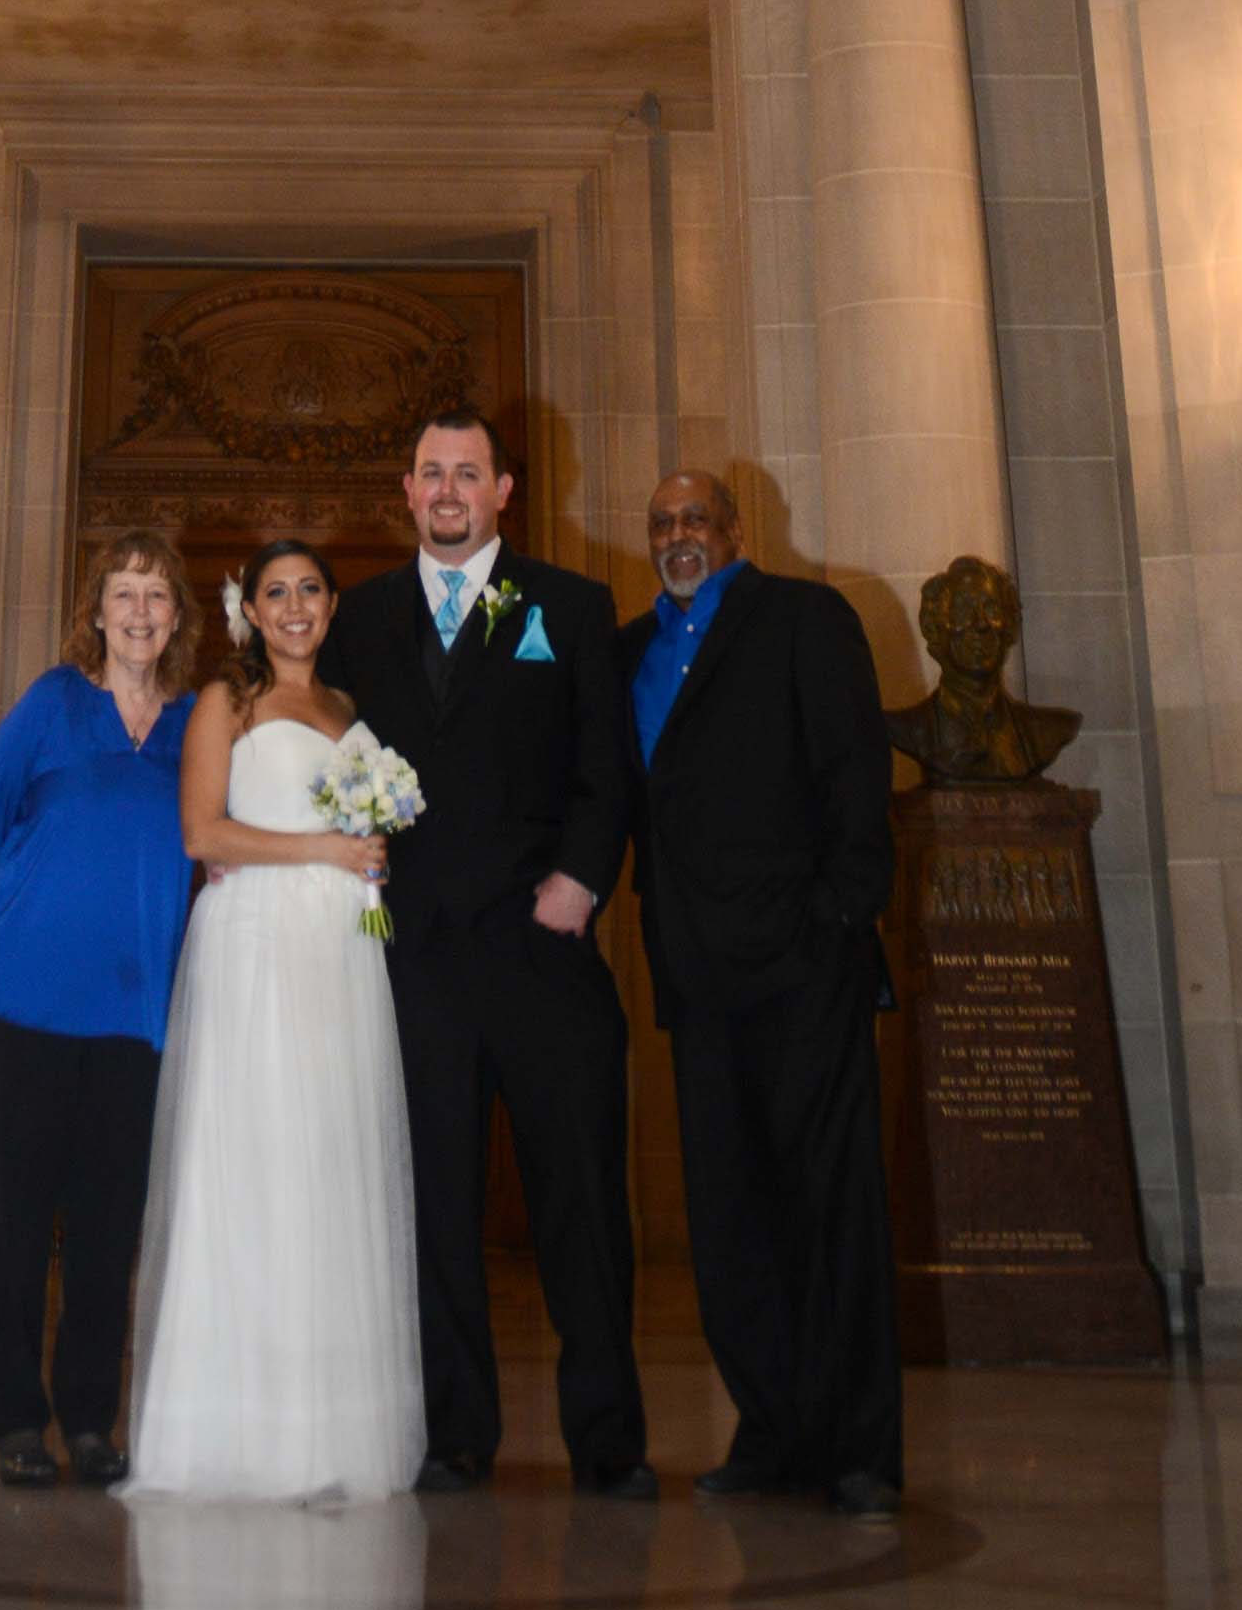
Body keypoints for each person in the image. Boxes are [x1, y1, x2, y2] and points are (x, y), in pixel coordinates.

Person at [327, 410, 651, 1499]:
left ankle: (607, 1442)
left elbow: (607, 766)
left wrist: (581, 880)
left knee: (582, 1205)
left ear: (505, 489)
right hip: (412, 958)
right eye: (431, 473)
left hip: (539, 947)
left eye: (470, 472)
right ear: (407, 490)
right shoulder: (357, 619)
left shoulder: (565, 605)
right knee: (435, 1207)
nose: (450, 490)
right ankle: (455, 1434)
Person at [621, 468, 904, 1520]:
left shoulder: (803, 618)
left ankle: (858, 1449)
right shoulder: (626, 649)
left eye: (695, 518)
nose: (677, 534)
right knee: (728, 1213)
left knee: (830, 1207)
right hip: (695, 977)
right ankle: (772, 1431)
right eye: (661, 523)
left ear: (737, 532)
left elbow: (852, 772)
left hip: (802, 966)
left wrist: (840, 914)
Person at [126, 537, 426, 1501]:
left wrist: (368, 858)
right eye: (274, 593)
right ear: (247, 610)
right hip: (255, 945)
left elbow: (357, 835)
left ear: (332, 606)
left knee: (328, 1165)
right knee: (249, 1165)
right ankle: (227, 1430)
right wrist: (327, 851)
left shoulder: (347, 711)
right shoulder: (228, 702)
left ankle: (327, 1432)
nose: (293, 607)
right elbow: (200, 832)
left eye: (308, 591)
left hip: (341, 950)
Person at [0, 528, 201, 1488]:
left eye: (156, 596)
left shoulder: (192, 727)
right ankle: (17, 1420)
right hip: (25, 1003)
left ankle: (90, 1422)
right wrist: (15, 933)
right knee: (18, 1222)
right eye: (123, 594)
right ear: (95, 612)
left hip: (134, 1016)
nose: (140, 612)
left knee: (109, 1228)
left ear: (178, 617)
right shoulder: (53, 704)